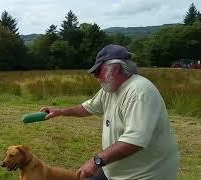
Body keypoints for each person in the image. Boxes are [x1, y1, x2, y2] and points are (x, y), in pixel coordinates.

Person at [40, 44, 179, 180]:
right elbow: (87, 107)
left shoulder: (138, 92)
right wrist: (60, 111)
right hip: (114, 171)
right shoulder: (109, 89)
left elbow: (134, 141)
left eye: (98, 71)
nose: (96, 77)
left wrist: (97, 161)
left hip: (145, 174)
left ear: (117, 69)